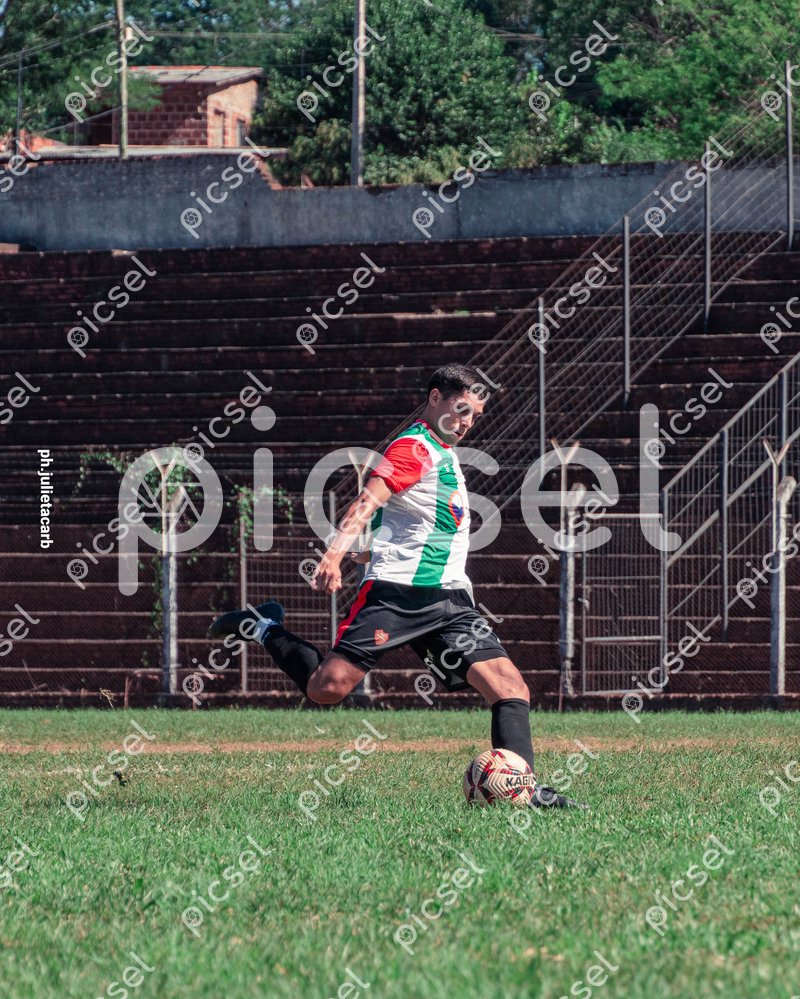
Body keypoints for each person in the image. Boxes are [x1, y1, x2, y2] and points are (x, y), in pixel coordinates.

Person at [210, 362, 584, 808]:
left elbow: (417, 528)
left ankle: (526, 790)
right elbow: (365, 503)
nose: (467, 422)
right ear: (435, 398)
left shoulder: (444, 455)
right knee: (326, 688)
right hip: (398, 596)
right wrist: (333, 554)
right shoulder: (414, 447)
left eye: (475, 416)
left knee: (510, 688)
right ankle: (263, 625)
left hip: (451, 600)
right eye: (462, 409)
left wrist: (365, 553)